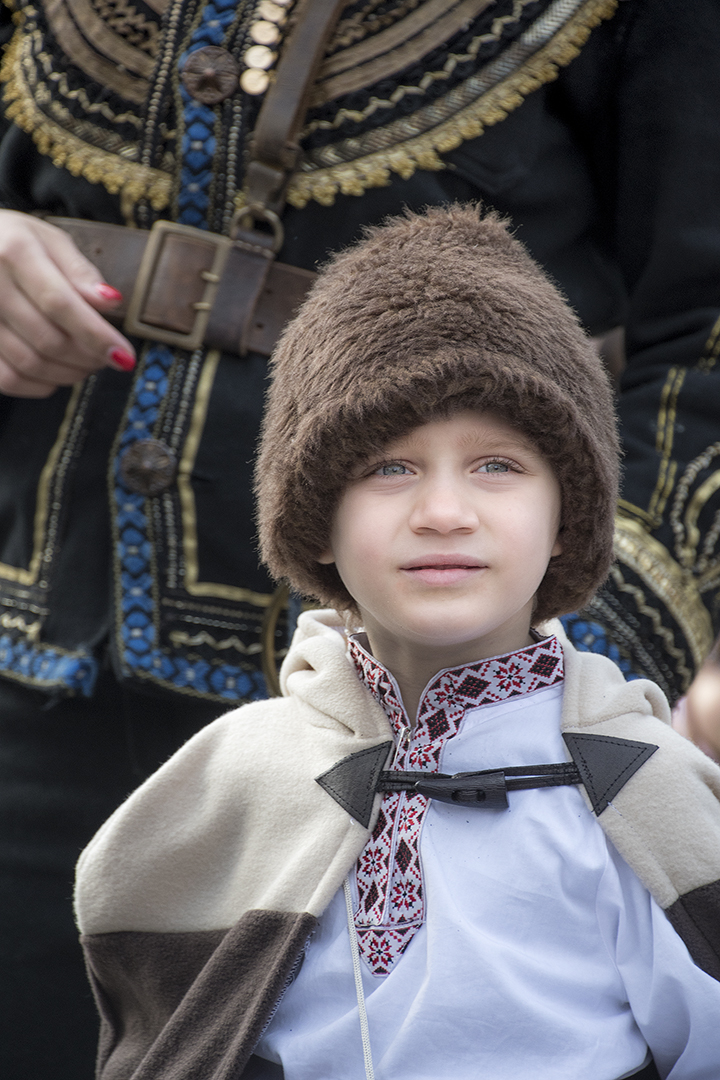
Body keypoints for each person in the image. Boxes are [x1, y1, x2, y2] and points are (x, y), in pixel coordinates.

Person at [2, 0, 720, 1073]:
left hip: (505, 725)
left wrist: (545, 699)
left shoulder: (635, 799)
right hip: (33, 665)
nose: (442, 504)